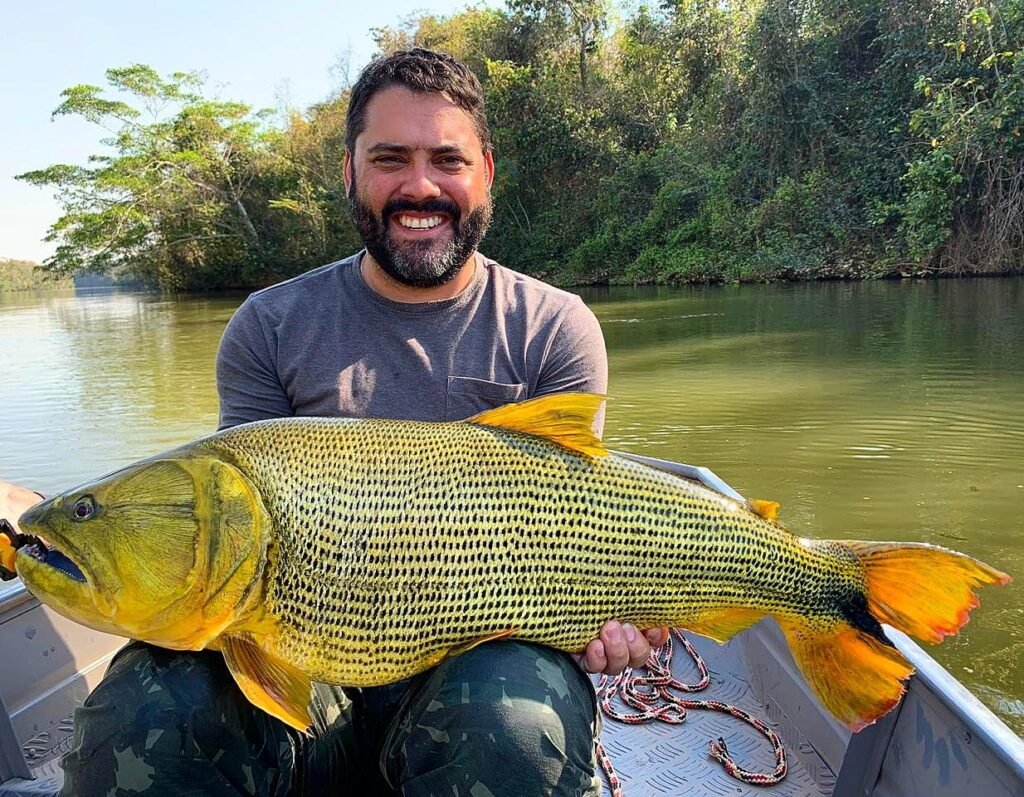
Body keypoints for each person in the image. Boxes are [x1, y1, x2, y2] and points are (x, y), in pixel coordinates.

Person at [1, 49, 666, 796]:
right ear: (350, 172)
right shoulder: (270, 326)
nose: (419, 185)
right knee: (142, 718)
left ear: (486, 170)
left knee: (517, 731)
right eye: (389, 158)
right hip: (308, 681)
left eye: (446, 159)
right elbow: (229, 570)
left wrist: (617, 627)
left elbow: (588, 527)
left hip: (478, 666)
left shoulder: (554, 328)